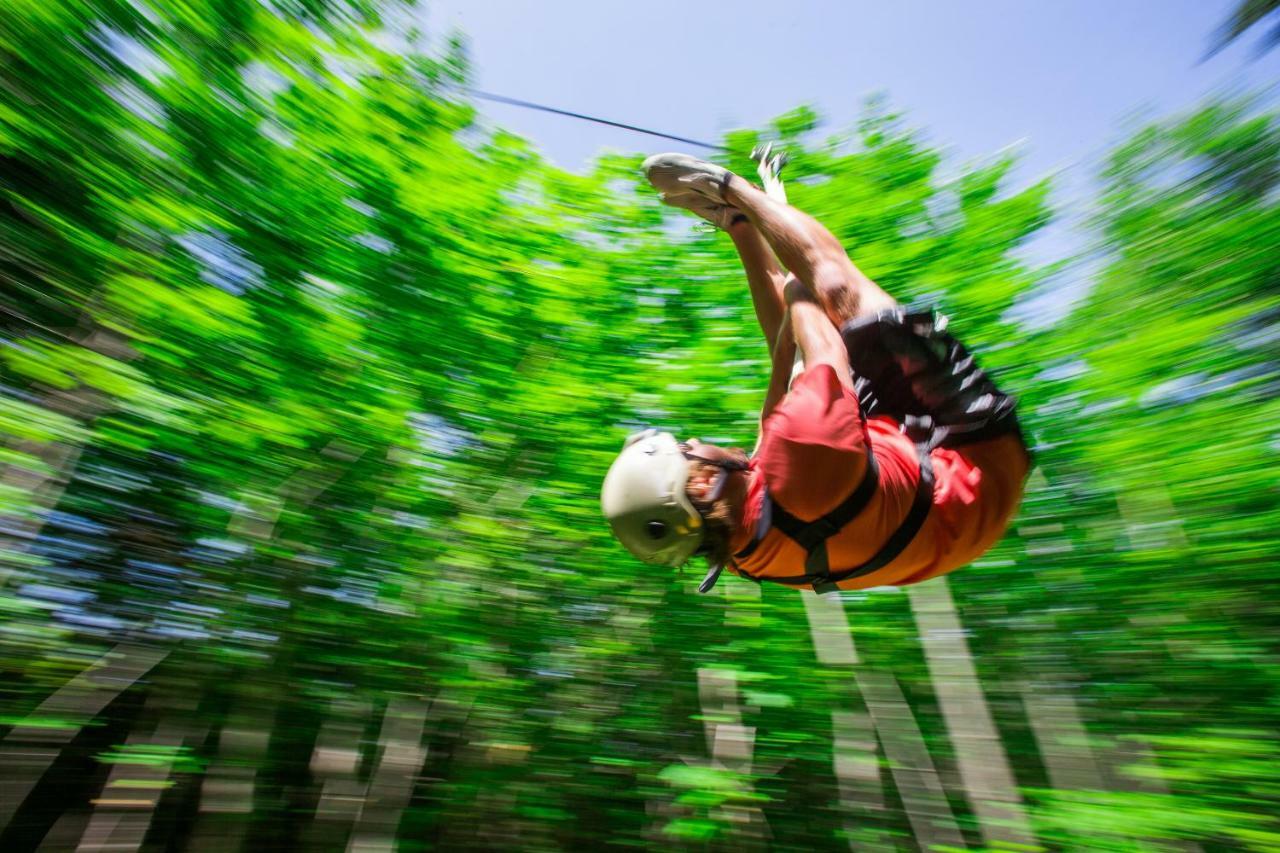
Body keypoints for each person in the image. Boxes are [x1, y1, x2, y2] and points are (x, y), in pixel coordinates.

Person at [601, 151, 1031, 594]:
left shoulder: (735, 550)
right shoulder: (802, 453)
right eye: (686, 448)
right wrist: (757, 202)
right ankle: (729, 189)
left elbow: (785, 411)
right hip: (976, 462)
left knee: (799, 392)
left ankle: (736, 223)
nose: (694, 441)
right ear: (707, 481)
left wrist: (748, 232)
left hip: (924, 517)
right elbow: (813, 307)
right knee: (836, 294)